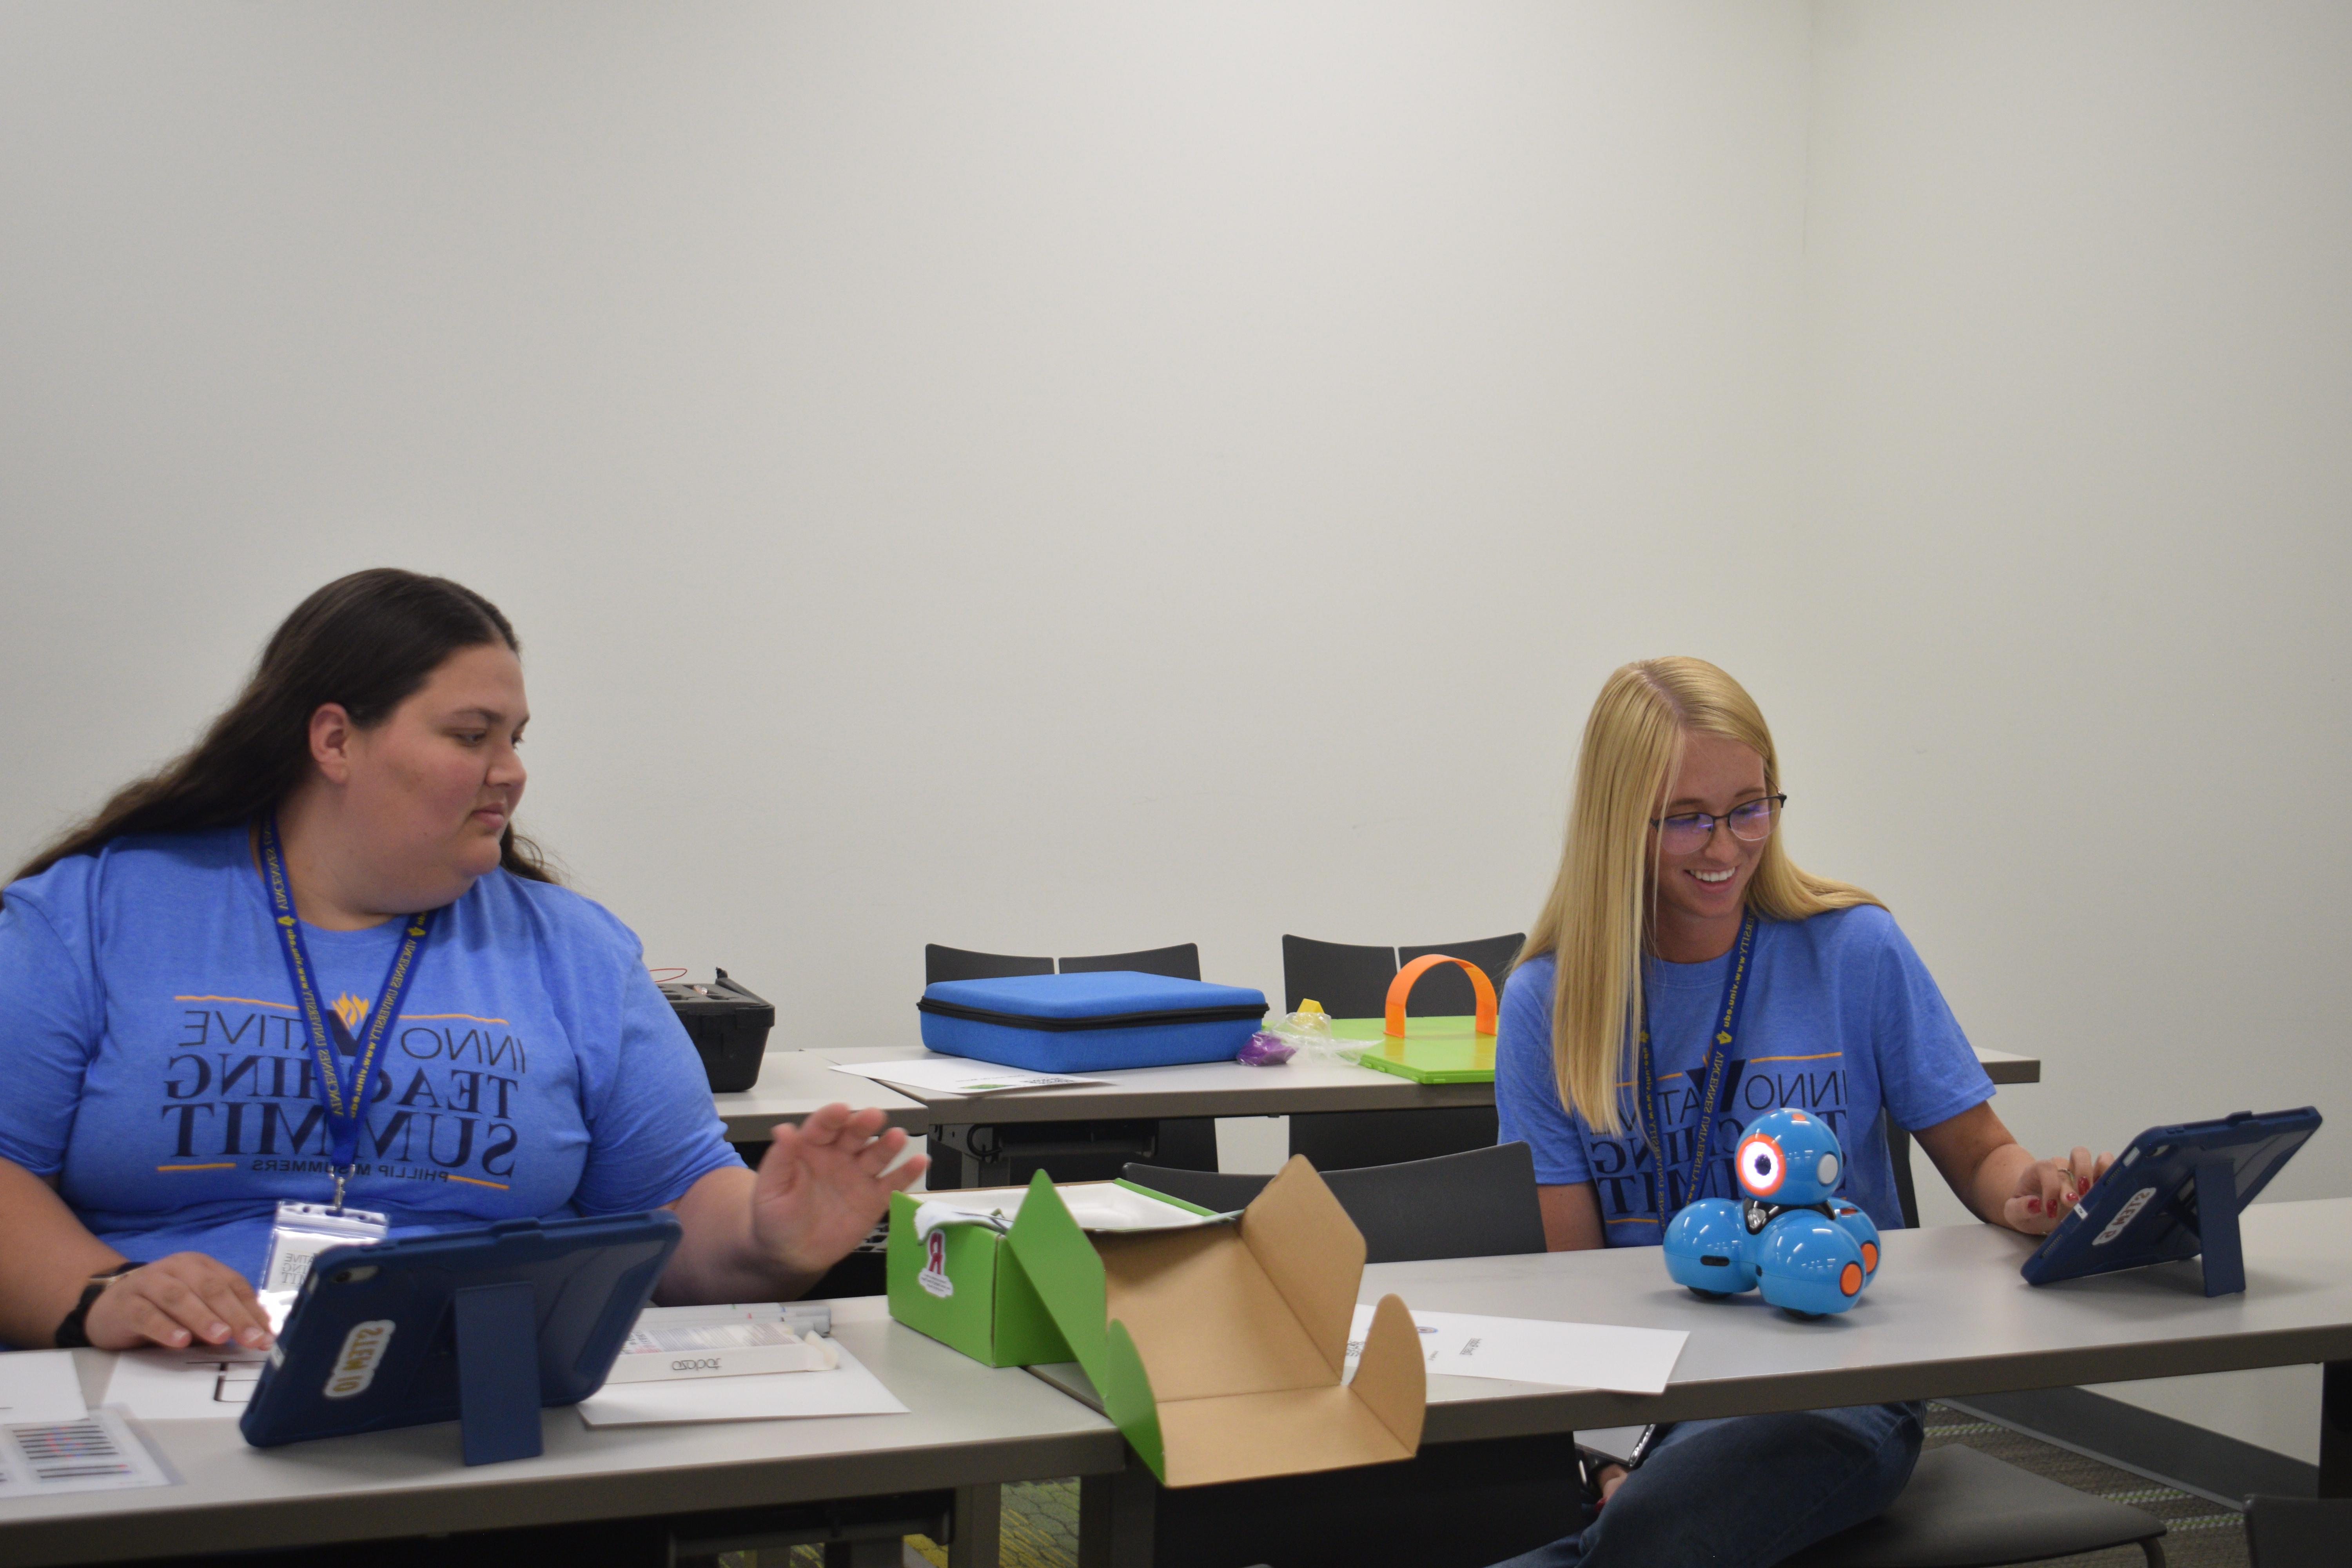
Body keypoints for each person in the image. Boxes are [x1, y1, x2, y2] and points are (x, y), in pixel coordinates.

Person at [0, 569, 924, 1354]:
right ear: (334, 740)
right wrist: (102, 1294)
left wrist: (771, 1237)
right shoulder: (93, 913)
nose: (511, 769)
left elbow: (675, 1200)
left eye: (516, 738)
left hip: (487, 1382)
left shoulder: (571, 946)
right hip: (172, 1379)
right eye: (471, 734)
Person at [1488, 657, 2110, 1568]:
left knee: (1657, 1538)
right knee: (1646, 1538)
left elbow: (1984, 1155)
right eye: (1687, 817)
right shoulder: (1553, 1003)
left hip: (1841, 1376)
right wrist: (1609, 1451)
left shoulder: (1856, 947)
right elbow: (1571, 1288)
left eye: (1751, 805)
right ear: (1617, 821)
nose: (1726, 844)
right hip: (1653, 1398)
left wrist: (2035, 1188)